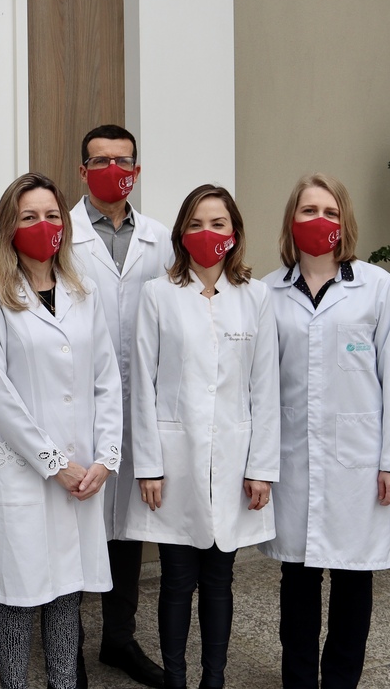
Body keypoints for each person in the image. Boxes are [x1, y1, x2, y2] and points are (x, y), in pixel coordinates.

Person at [0, 172, 123, 689]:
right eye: (29, 216)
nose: (43, 225)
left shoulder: (85, 291)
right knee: (16, 599)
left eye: (52, 215)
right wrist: (54, 463)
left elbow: (106, 378)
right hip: (24, 474)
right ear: (10, 226)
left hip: (83, 473)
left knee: (67, 596)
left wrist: (105, 458)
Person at [258, 173, 390, 689]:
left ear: (344, 222)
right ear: (291, 221)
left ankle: (342, 682)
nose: (319, 220)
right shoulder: (268, 293)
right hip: (294, 462)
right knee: (296, 585)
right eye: (308, 211)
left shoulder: (377, 287)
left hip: (358, 464)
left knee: (354, 585)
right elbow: (259, 390)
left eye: (330, 211)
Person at [125, 184, 280, 689]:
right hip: (174, 461)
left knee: (219, 581)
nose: (207, 233)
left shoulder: (255, 297)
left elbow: (265, 388)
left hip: (235, 461)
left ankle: (213, 679)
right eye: (196, 223)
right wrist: (149, 464)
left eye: (217, 224)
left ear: (233, 234)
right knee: (175, 581)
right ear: (181, 233)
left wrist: (261, 468)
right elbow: (142, 383)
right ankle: (176, 678)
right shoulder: (158, 294)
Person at [68, 124, 172, 689]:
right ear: (82, 170)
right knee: (79, 523)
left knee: (129, 528)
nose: (113, 169)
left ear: (136, 168)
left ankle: (119, 639)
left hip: (141, 403)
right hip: (77, 406)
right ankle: (70, 647)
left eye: (123, 160)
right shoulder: (61, 233)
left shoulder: (159, 238)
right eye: (100, 160)